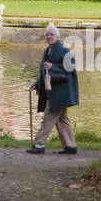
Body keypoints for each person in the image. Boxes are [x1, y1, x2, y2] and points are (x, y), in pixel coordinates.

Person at [27, 24, 79, 155]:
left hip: (61, 92)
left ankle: (39, 145)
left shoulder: (62, 50)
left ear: (58, 37)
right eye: (47, 35)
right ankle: (70, 146)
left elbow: (71, 67)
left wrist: (53, 66)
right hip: (53, 90)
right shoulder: (48, 51)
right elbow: (44, 71)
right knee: (62, 119)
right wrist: (38, 83)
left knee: (48, 117)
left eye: (52, 35)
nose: (49, 37)